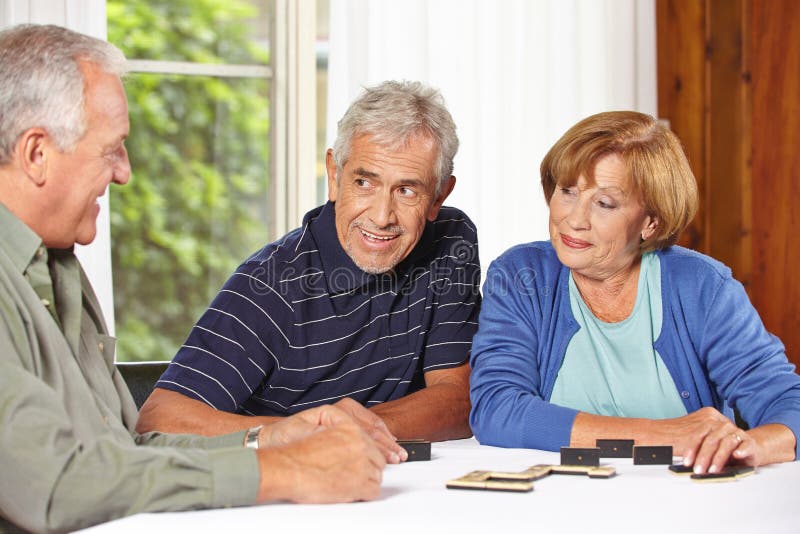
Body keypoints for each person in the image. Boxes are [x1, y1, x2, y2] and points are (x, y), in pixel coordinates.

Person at [0, 24, 390, 533]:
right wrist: (284, 470)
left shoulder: (58, 268)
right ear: (36, 154)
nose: (125, 172)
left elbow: (123, 452)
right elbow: (57, 483)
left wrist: (273, 439)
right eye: (111, 149)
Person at [136, 80, 480, 444]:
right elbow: (159, 418)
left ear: (439, 196)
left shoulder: (450, 241)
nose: (382, 217)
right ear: (334, 175)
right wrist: (304, 434)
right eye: (364, 182)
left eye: (407, 190)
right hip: (280, 485)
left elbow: (459, 401)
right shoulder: (270, 285)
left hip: (391, 482)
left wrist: (354, 429)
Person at [469, 111, 800, 474]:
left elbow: (787, 403)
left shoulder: (702, 287)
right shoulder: (521, 275)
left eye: (604, 203)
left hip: (685, 506)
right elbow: (496, 409)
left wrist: (751, 445)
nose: (574, 219)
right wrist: (664, 434)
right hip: (559, 501)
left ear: (650, 223)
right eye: (568, 191)